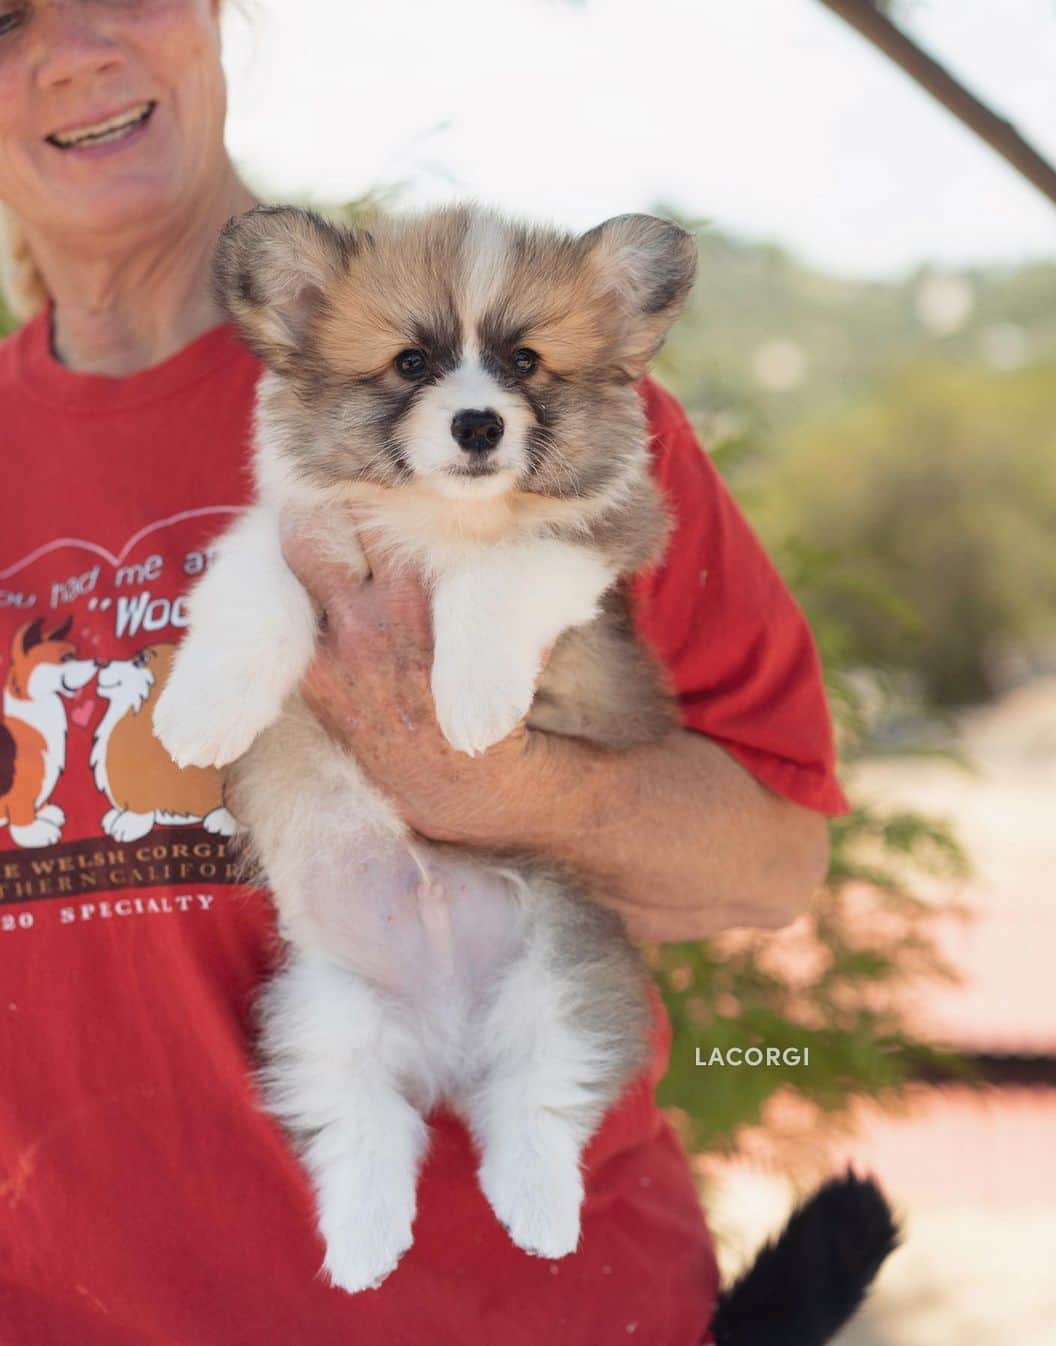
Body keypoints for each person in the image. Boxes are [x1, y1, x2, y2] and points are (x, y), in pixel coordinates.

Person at [0, 3, 847, 1343]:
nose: (74, 49)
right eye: (4, 18)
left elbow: (774, 862)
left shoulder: (548, 418)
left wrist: (507, 783)